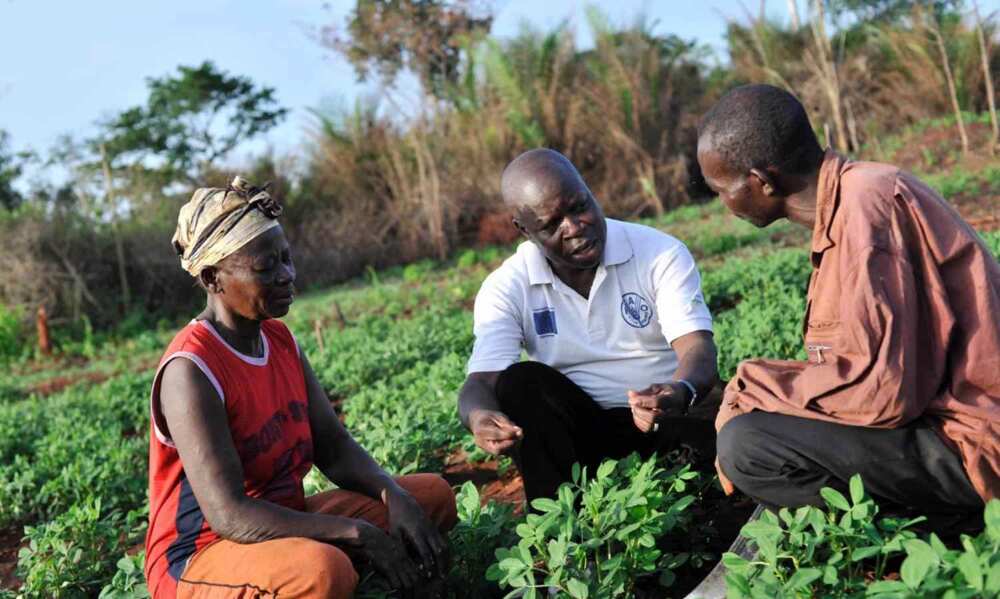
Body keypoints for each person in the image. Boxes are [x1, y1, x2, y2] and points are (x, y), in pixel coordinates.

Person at [697, 84, 1000, 519]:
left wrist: (754, 384)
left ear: (763, 182)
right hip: (939, 421)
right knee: (756, 427)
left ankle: (931, 540)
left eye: (721, 188)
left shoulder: (867, 206)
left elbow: (883, 394)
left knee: (747, 446)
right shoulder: (848, 203)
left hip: (971, 439)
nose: (722, 203)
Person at [145, 177, 457, 599]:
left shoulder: (279, 340)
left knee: (428, 499)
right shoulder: (192, 369)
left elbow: (332, 445)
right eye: (265, 267)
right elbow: (230, 514)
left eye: (286, 258)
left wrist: (391, 492)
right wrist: (355, 533)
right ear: (213, 278)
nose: (286, 275)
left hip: (284, 519)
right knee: (322, 571)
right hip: (202, 554)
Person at [457, 148, 720, 504]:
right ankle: (562, 526)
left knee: (724, 437)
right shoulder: (508, 285)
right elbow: (481, 383)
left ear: (589, 192)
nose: (575, 227)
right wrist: (480, 416)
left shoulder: (658, 253)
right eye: (552, 224)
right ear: (524, 231)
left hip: (663, 418)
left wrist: (679, 389)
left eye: (579, 206)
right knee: (520, 383)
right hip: (579, 438)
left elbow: (697, 348)